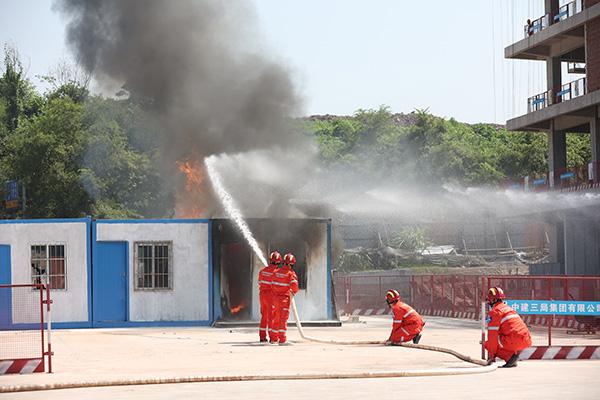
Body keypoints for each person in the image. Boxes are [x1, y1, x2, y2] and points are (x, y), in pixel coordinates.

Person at [484, 287, 532, 368]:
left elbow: (492, 337)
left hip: (513, 340)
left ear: (492, 300)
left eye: (489, 300)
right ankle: (512, 356)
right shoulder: (508, 309)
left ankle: (510, 357)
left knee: (488, 343)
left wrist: (491, 357)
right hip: (526, 340)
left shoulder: (495, 312)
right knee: (502, 337)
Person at [270, 252, 299, 345]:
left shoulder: (276, 272)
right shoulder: (291, 274)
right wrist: (293, 292)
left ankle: (273, 339)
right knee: (283, 319)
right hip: (284, 300)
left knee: (275, 318)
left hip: (275, 299)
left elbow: (272, 285)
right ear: (291, 264)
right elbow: (294, 286)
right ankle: (282, 339)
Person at [258, 251, 282, 342]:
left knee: (264, 316)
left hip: (262, 296)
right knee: (272, 316)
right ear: (278, 262)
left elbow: (260, 282)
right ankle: (273, 338)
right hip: (271, 296)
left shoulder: (262, 271)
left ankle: (262, 337)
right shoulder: (277, 273)